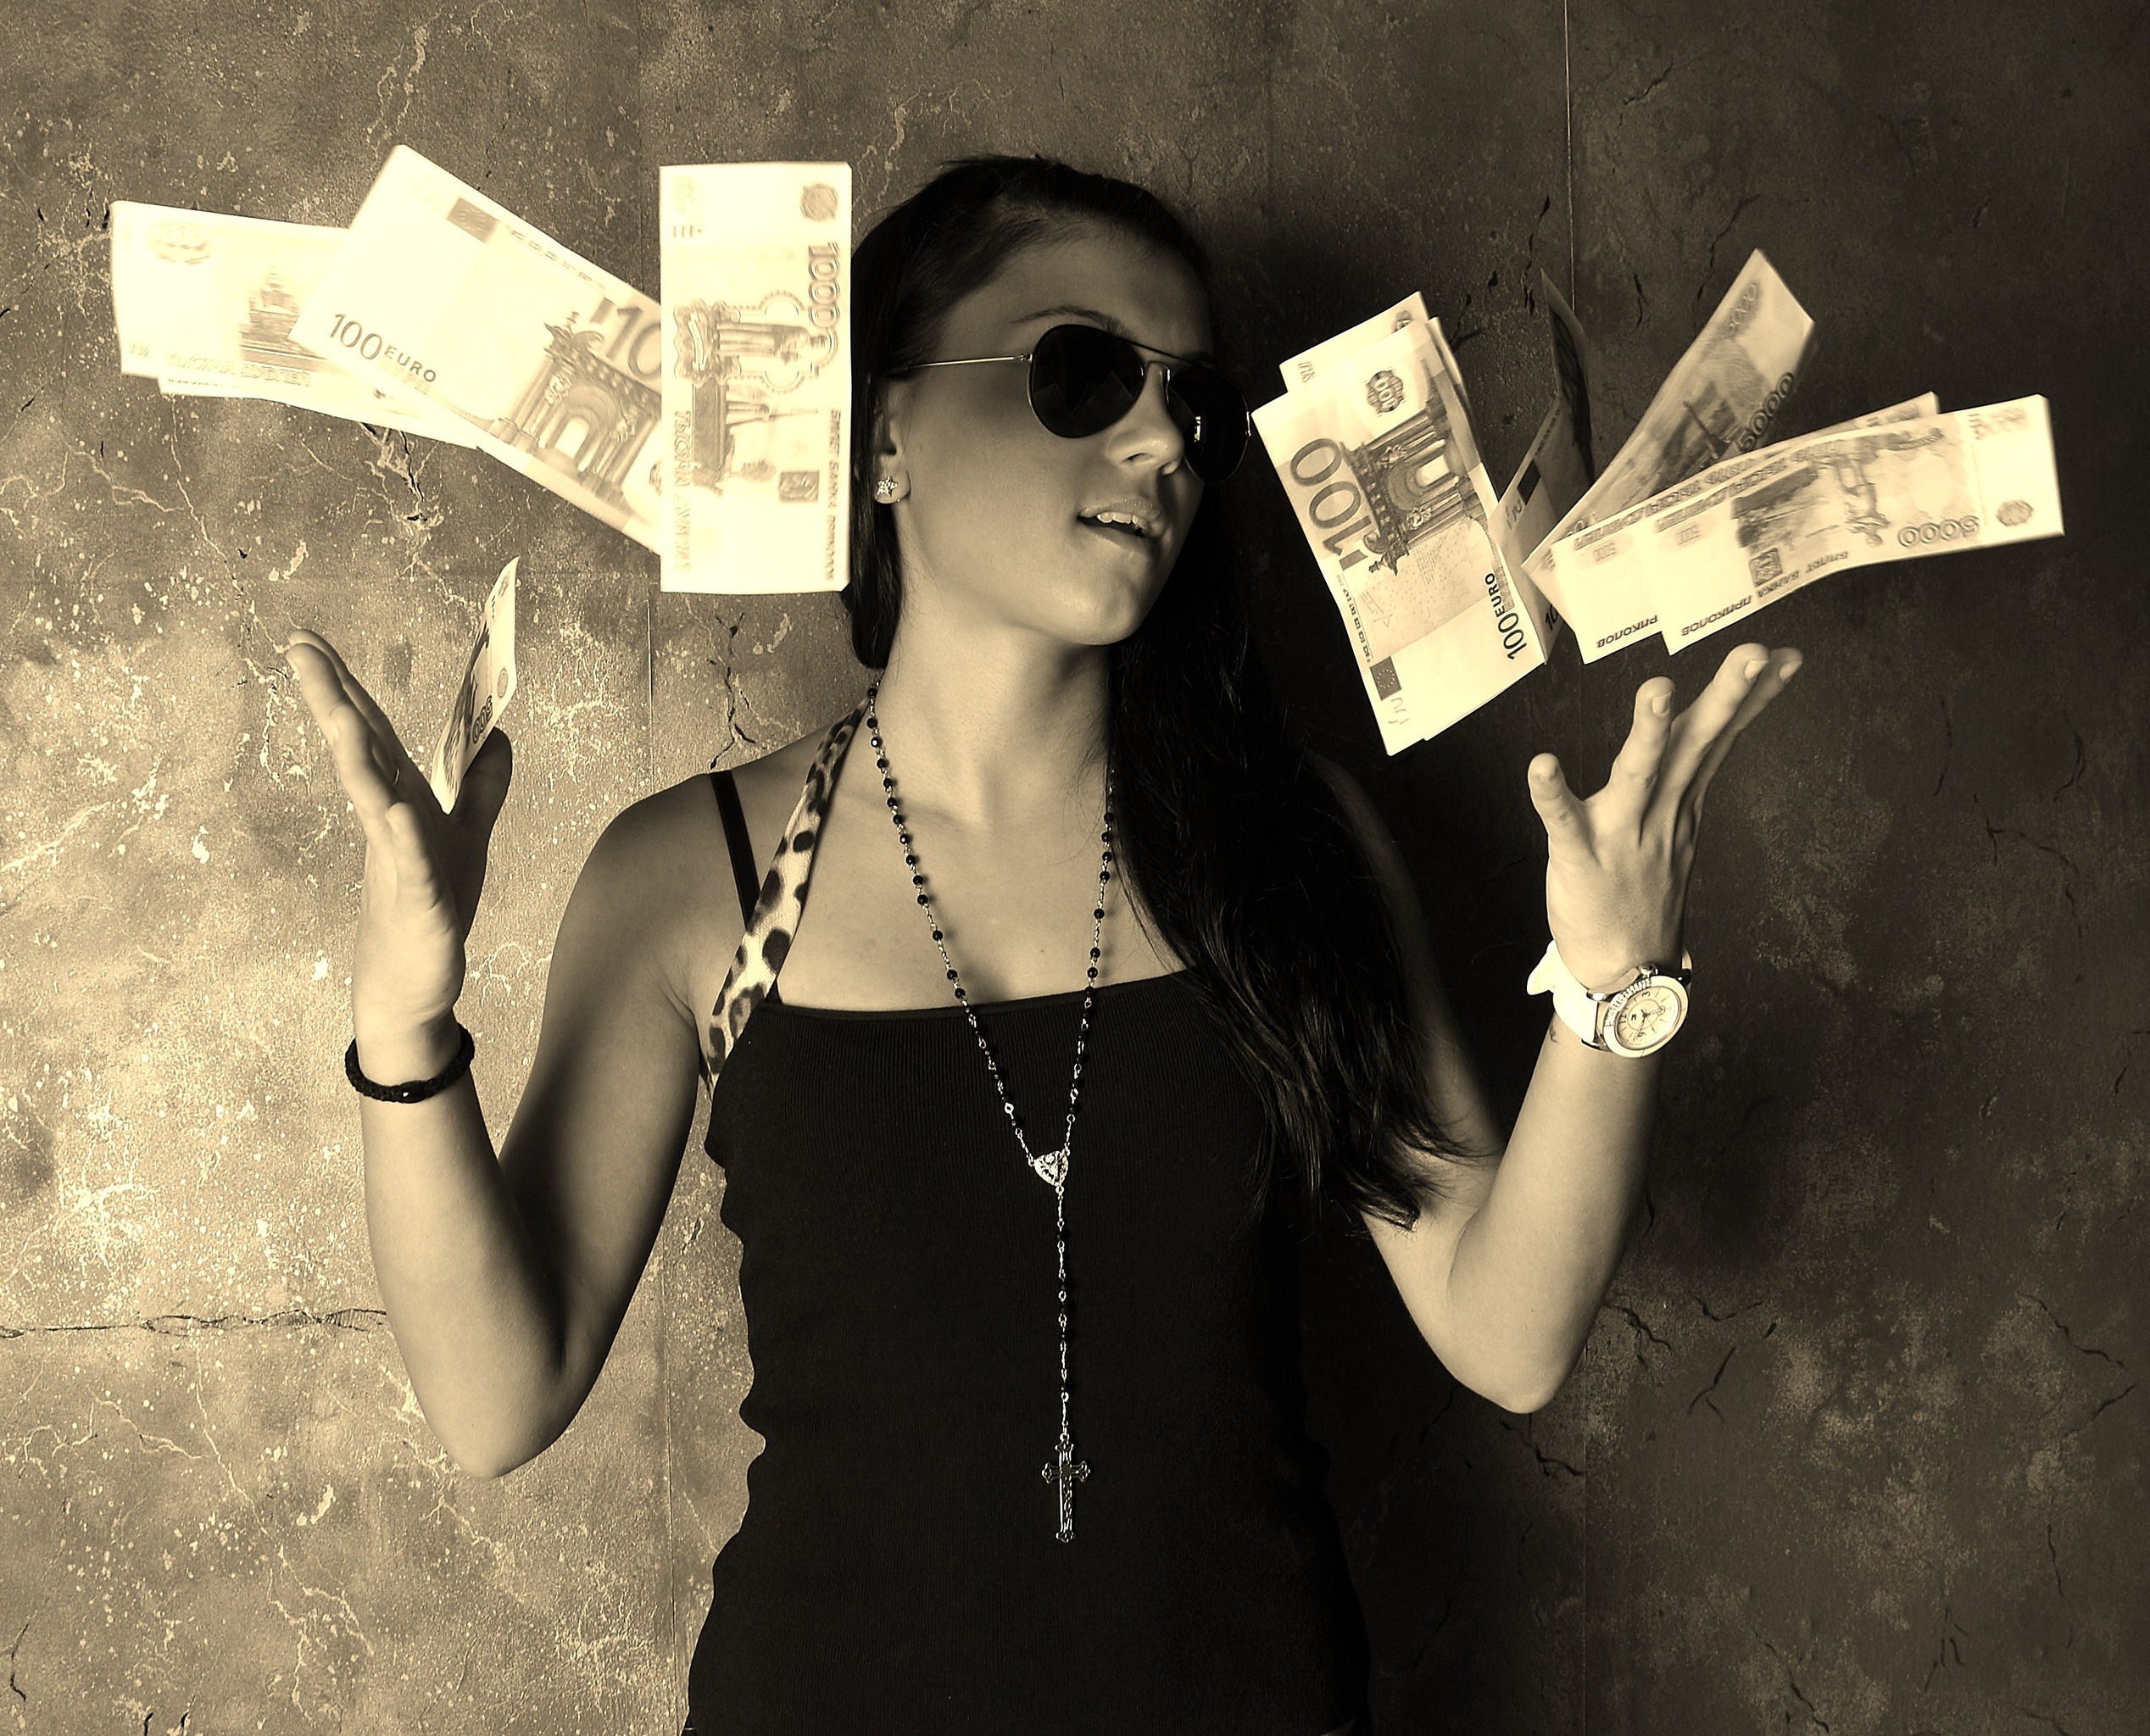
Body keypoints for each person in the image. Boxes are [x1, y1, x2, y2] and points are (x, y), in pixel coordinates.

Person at [279, 155, 1801, 1736]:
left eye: (1195, 407)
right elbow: (495, 1400)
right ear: (886, 434)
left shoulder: (1284, 848)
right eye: (1081, 373)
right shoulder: (694, 879)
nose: (1161, 441)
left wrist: (1614, 986)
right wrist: (404, 1020)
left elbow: (1509, 1333)